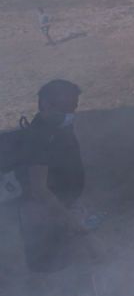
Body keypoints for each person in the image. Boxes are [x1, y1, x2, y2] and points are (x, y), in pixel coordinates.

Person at [15, 80, 92, 272]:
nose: (71, 114)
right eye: (67, 108)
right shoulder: (40, 136)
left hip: (62, 210)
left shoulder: (60, 129)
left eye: (74, 107)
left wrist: (74, 207)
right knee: (53, 274)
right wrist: (69, 219)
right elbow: (39, 189)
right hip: (45, 219)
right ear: (47, 104)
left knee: (77, 267)